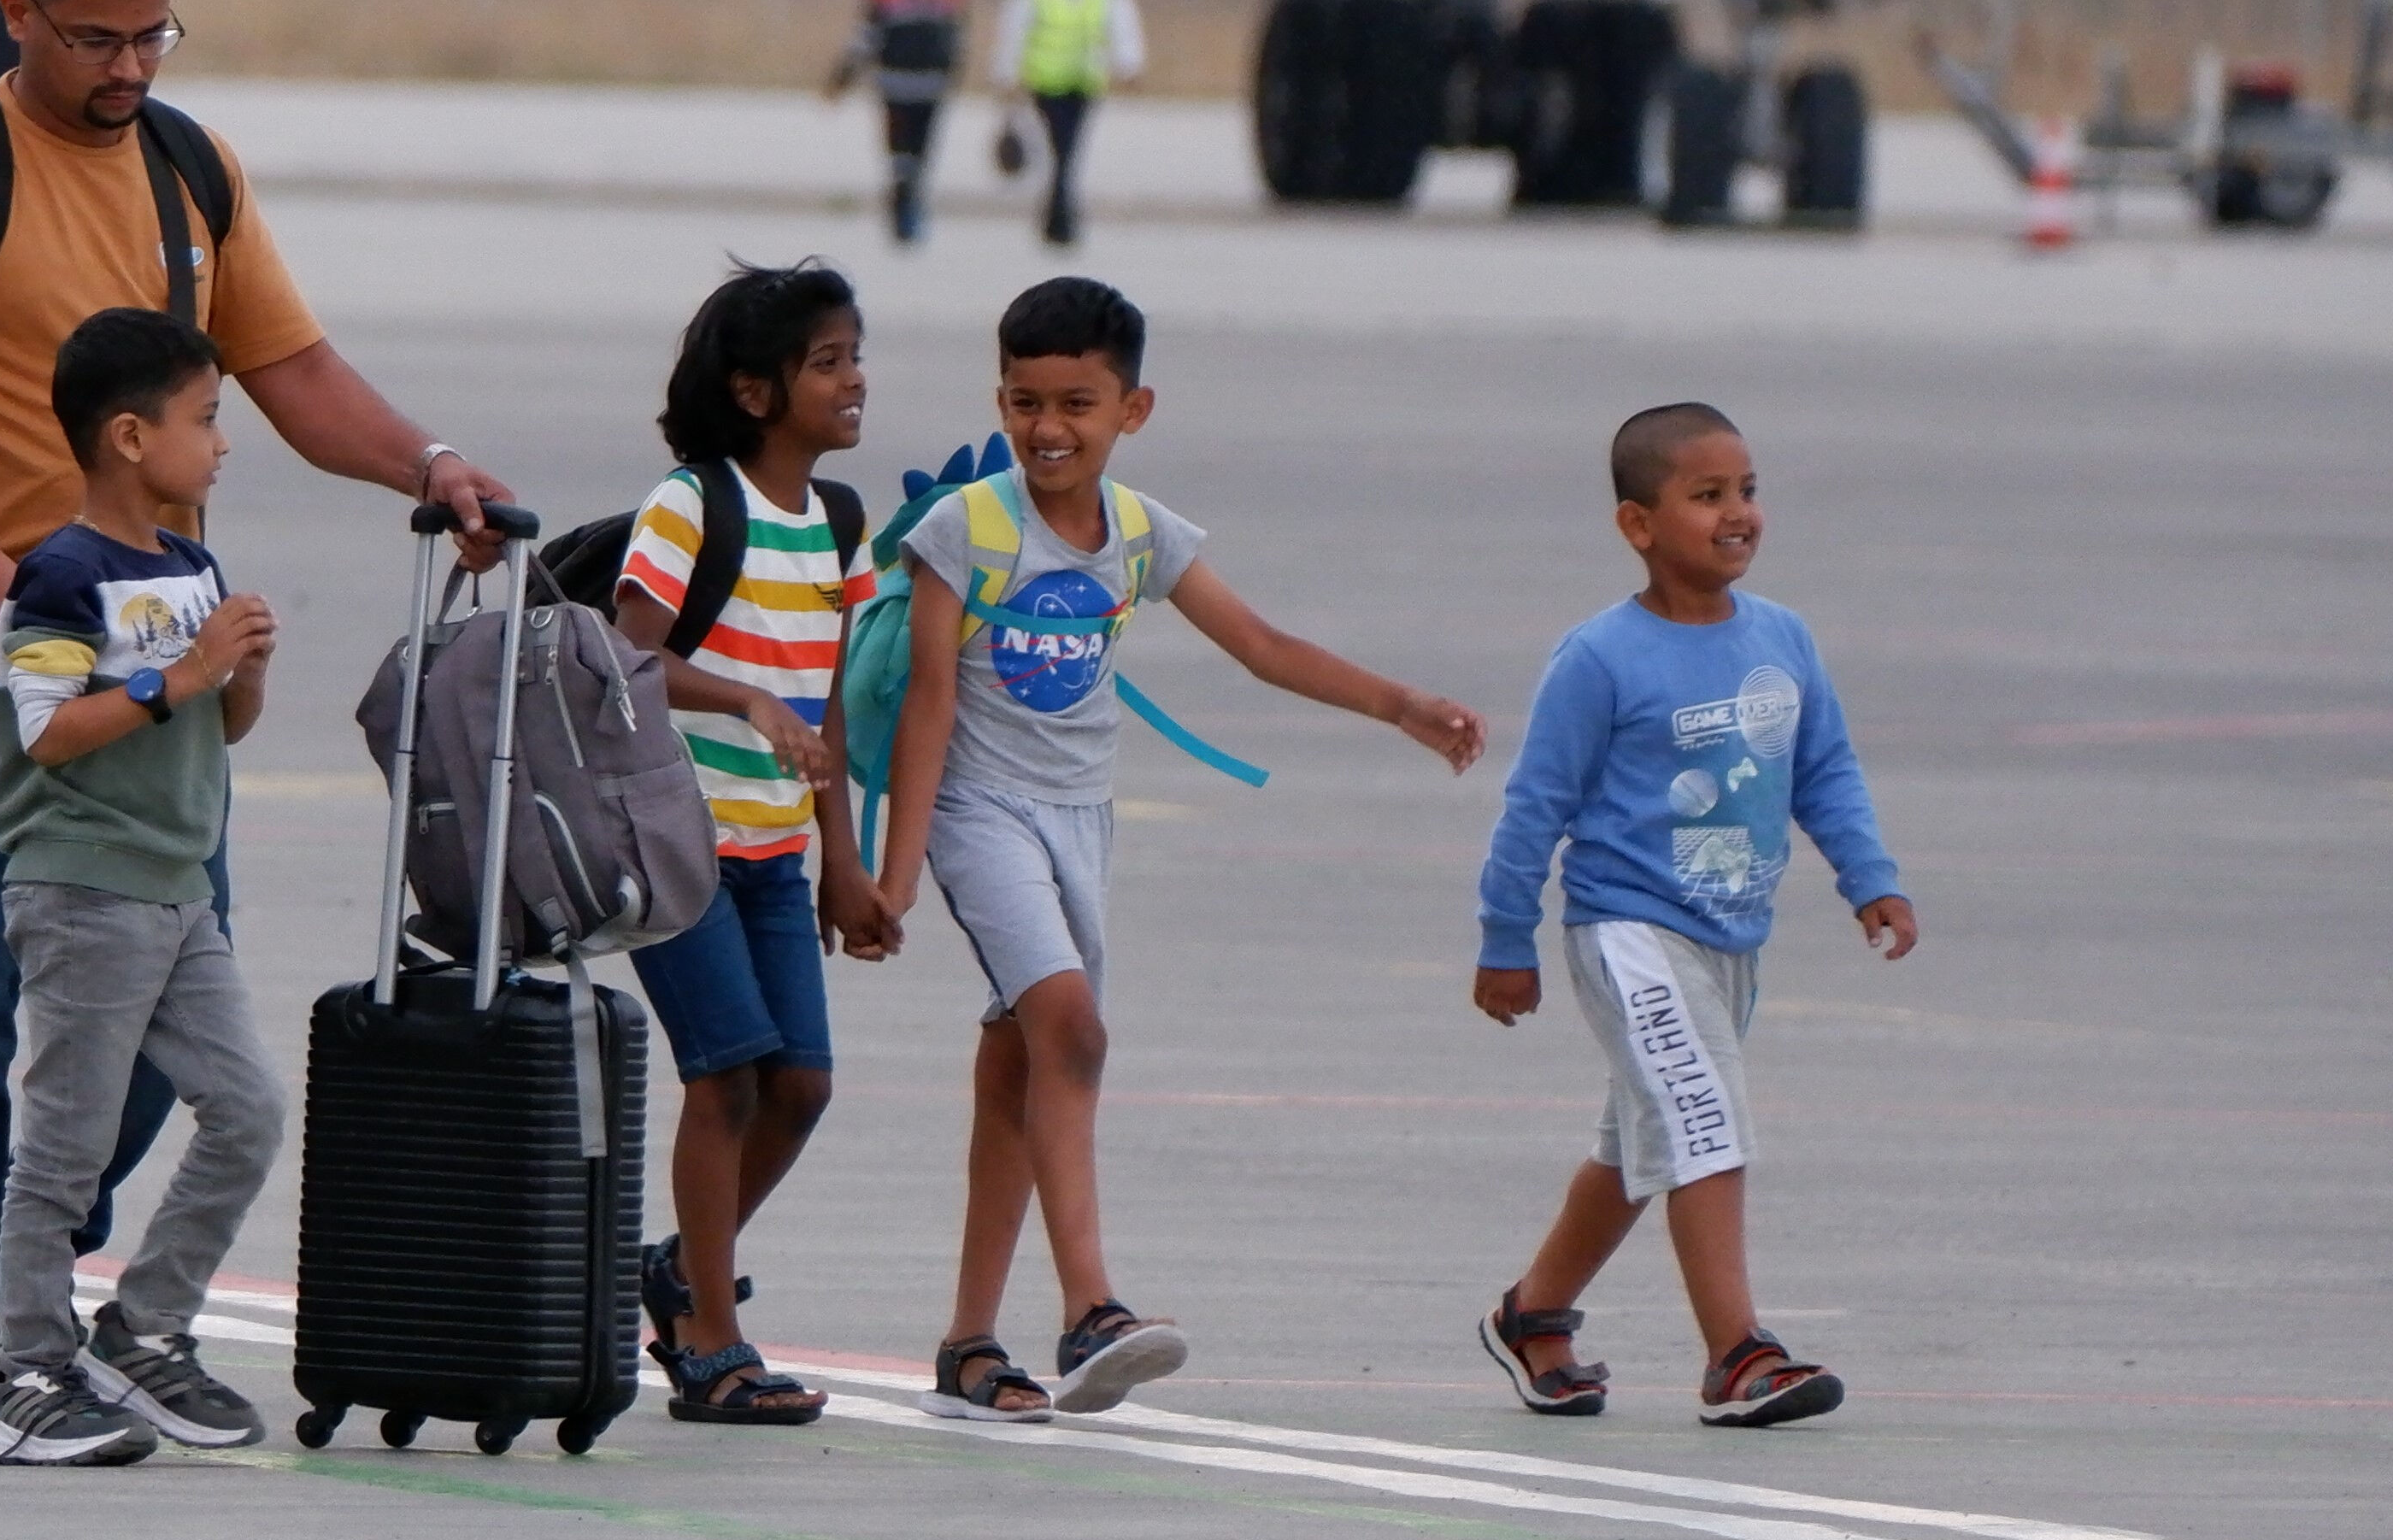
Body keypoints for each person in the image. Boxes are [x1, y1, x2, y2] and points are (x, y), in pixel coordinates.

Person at [0, 0, 514, 1446]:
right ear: (18, 14)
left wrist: (430, 466)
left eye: (153, 35)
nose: (127, 68)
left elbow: (292, 370)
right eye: (94, 39)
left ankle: (70, 1326)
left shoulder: (193, 167)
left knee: (172, 1030)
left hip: (167, 668)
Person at [869, 276, 1480, 1420]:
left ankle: (968, 1346)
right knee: (1072, 1028)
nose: (1049, 427)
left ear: (1132, 410)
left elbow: (1262, 645)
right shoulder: (967, 529)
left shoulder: (1142, 533)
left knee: (1020, 1068)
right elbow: (930, 703)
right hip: (979, 813)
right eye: (1025, 402)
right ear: (1000, 402)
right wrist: (896, 877)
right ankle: (1091, 1307)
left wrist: (1400, 704)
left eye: (1077, 404)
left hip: (1080, 821)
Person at [1467, 403, 1912, 1431]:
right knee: (1704, 1120)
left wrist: (1869, 875)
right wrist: (1504, 938)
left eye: (1747, 489)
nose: (1737, 512)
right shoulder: (1599, 657)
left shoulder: (1782, 638)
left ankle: (1533, 1314)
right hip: (1629, 930)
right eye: (1707, 495)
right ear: (1638, 523)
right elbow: (1534, 806)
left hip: (1729, 935)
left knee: (1640, 1141)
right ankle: (1736, 1354)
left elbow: (1825, 769)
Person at [0, 310, 286, 1465]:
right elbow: (49, 730)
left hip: (178, 886)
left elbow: (222, 725)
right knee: (66, 1146)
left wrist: (240, 673)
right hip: (84, 888)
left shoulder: (190, 564)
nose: (222, 443)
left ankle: (143, 1328)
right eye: (206, 419)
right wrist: (183, 674)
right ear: (129, 436)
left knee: (248, 1110)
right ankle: (22, 1373)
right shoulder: (62, 575)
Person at [609, 263, 891, 1429]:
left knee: (803, 1084)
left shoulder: (840, 524)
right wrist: (743, 700)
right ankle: (710, 1343)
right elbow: (629, 653)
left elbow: (833, 708)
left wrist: (846, 860)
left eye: (854, 356)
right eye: (827, 362)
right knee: (724, 1075)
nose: (854, 379)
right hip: (679, 848)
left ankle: (683, 1269)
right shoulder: (691, 504)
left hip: (779, 856)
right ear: (755, 391)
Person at [1000, 0, 1145, 248]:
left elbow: (1122, 23)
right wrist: (1007, 72)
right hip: (1046, 80)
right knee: (1062, 148)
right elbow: (1016, 24)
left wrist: (1129, 64)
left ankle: (1058, 214)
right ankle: (1061, 216)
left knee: (1067, 149)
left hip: (1084, 80)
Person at [828, 0, 968, 248]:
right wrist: (842, 77)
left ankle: (910, 202)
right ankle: (901, 206)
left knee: (921, 152)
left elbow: (957, 38)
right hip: (894, 83)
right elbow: (865, 37)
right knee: (898, 153)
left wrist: (953, 74)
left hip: (931, 85)